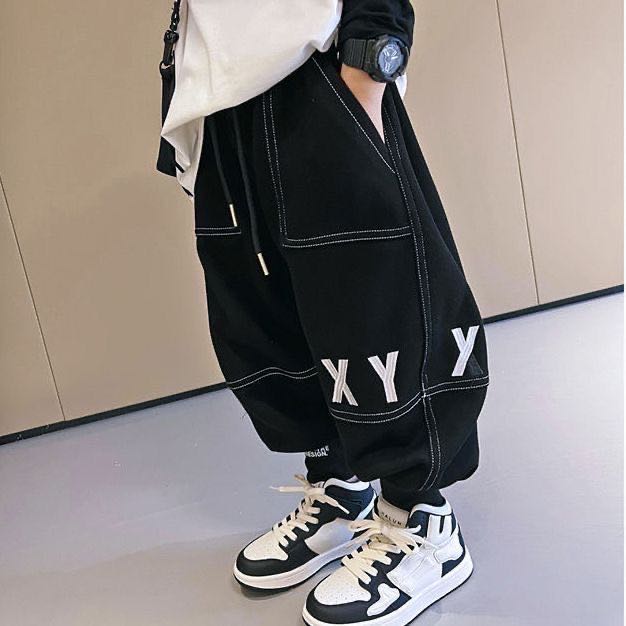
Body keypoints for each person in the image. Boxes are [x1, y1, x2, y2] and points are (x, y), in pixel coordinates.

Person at [158, 1, 489, 624]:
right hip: (220, 102)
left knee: (376, 312)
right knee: (268, 323)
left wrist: (367, 65)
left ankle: (422, 521)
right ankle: (341, 488)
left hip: (314, 76)